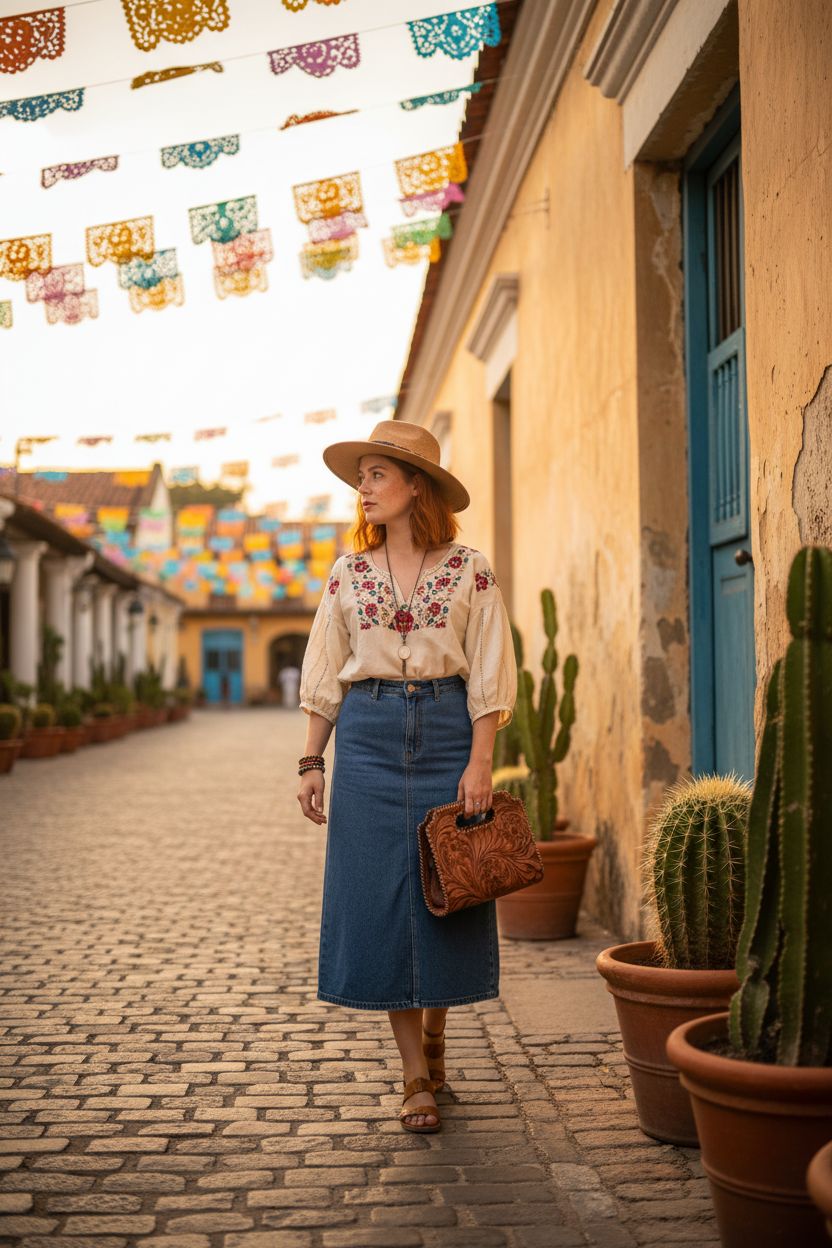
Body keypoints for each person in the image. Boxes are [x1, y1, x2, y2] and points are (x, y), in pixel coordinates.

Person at [297, 419, 517, 1134]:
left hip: (449, 728)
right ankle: (414, 1074)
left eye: (376, 475)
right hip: (366, 735)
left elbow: (489, 668)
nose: (362, 489)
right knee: (378, 897)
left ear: (414, 486)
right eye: (360, 476)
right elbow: (326, 670)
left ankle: (436, 1033)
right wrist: (311, 760)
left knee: (445, 888)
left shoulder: (470, 568)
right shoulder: (346, 573)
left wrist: (480, 760)